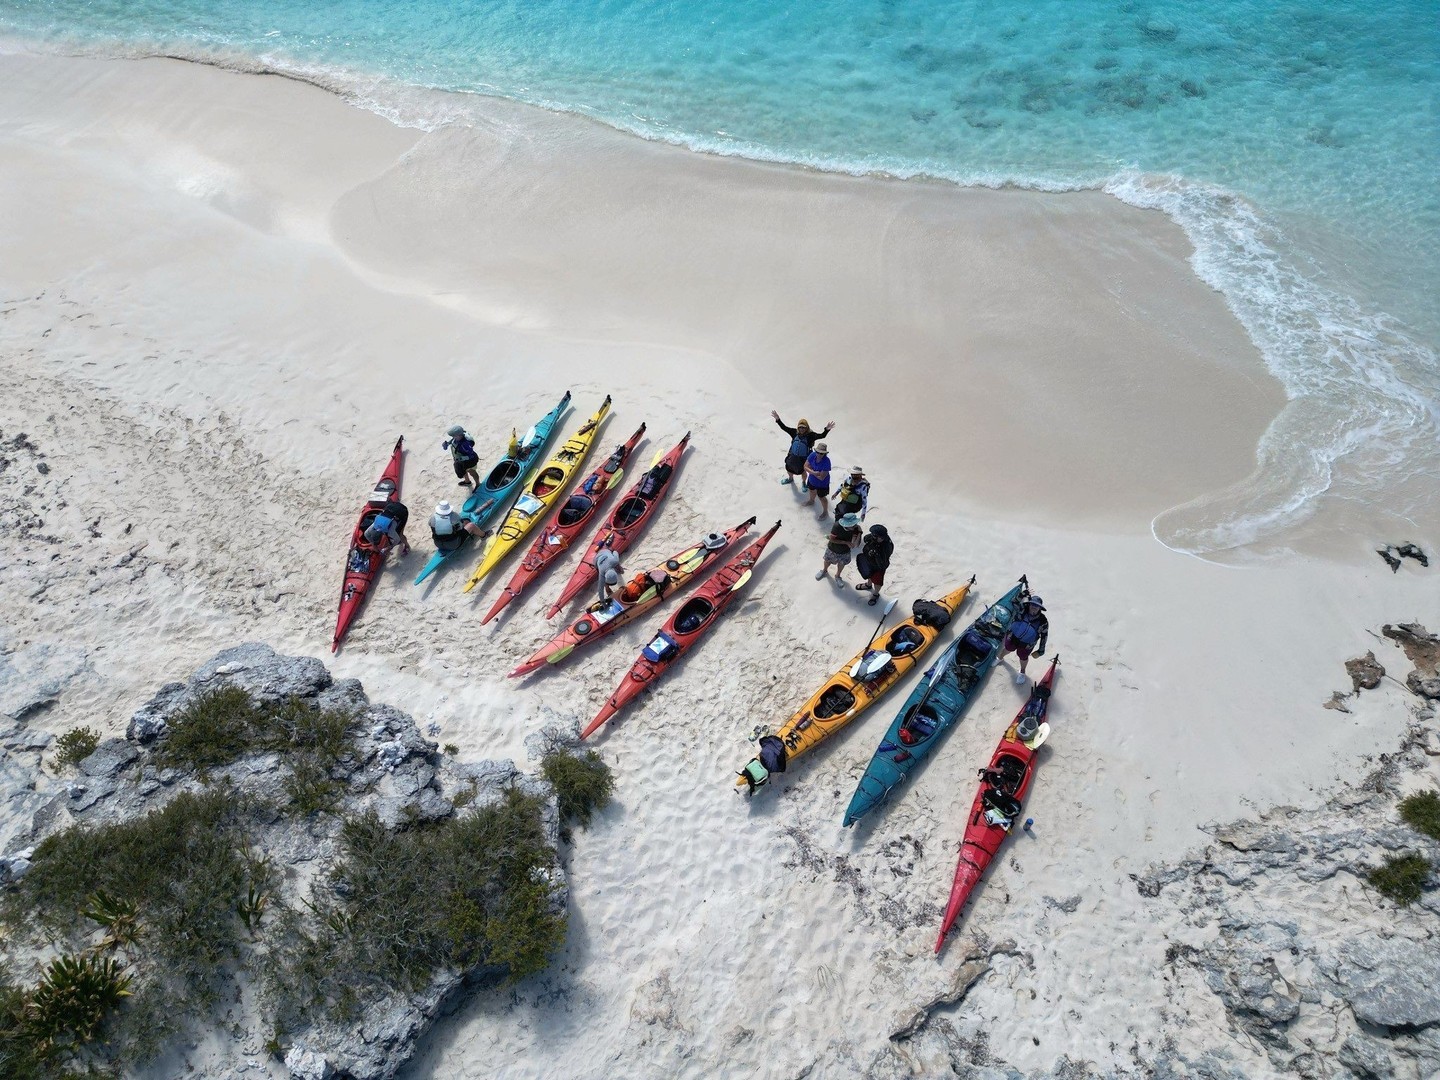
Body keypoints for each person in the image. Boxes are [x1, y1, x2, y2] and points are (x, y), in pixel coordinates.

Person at [771, 412, 834, 486]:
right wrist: (778, 419)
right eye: (800, 427)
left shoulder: (811, 435)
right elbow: (784, 427)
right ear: (798, 427)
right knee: (788, 468)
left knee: (803, 471)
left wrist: (826, 429)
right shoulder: (794, 432)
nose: (801, 429)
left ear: (807, 427)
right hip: (792, 456)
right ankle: (790, 479)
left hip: (803, 458)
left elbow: (822, 435)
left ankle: (803, 483)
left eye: (803, 427)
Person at [999, 595, 1050, 683]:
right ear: (1029, 604)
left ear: (1040, 608)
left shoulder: (1043, 621)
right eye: (1032, 604)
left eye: (1037, 605)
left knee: (1023, 657)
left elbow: (1044, 636)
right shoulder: (1021, 610)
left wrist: (1041, 649)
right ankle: (999, 658)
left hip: (1027, 645)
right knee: (1007, 649)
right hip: (1012, 637)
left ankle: (1022, 672)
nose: (1034, 607)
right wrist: (1023, 594)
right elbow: (1013, 601)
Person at [853, 523, 893, 607]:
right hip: (869, 561)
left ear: (881, 537)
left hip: (879, 568)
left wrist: (876, 554)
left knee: (877, 582)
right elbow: (866, 539)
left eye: (874, 536)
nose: (872, 536)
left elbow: (883, 562)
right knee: (868, 574)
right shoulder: (873, 538)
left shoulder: (887, 546)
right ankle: (868, 585)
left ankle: (875, 594)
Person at [816, 512, 862, 583]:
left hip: (845, 551)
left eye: (855, 524)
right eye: (853, 525)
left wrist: (859, 533)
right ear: (847, 524)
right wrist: (846, 542)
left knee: (842, 563)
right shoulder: (837, 526)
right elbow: (831, 539)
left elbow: (856, 545)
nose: (855, 526)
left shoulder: (855, 528)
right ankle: (824, 570)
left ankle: (837, 576)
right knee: (827, 561)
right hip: (832, 548)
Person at [362, 491, 410, 556]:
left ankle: (407, 546)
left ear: (383, 533)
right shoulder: (373, 527)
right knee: (394, 535)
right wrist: (373, 545)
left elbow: (397, 540)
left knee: (400, 535)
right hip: (389, 508)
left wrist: (389, 547)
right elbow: (366, 534)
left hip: (401, 511)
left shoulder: (390, 531)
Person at [803, 440, 833, 514]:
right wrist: (814, 472)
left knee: (822, 498)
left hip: (822, 484)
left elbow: (822, 477)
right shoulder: (812, 455)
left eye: (821, 453)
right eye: (818, 452)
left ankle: (825, 511)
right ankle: (811, 501)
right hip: (811, 480)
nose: (819, 454)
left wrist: (810, 470)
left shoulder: (827, 461)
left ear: (824, 454)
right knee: (811, 491)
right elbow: (805, 466)